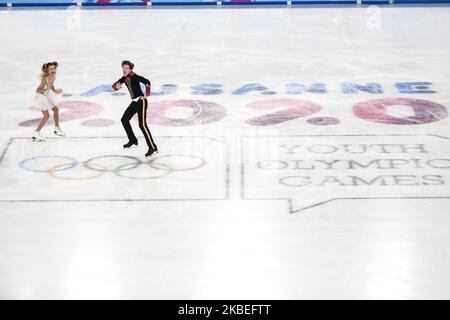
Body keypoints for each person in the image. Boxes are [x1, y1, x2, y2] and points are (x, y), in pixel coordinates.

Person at [112, 60, 158, 158]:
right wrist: (117, 87)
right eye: (123, 69)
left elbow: (147, 81)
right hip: (135, 102)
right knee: (124, 119)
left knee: (142, 125)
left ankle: (153, 147)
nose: (124, 70)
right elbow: (114, 86)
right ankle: (133, 140)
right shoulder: (125, 78)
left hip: (141, 102)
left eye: (126, 69)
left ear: (130, 69)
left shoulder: (134, 76)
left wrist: (147, 95)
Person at [32, 62, 65, 142]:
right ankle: (36, 133)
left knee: (56, 109)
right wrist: (45, 90)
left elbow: (51, 85)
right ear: (47, 70)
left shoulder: (53, 77)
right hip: (41, 97)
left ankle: (56, 128)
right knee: (46, 116)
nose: (53, 70)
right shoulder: (45, 79)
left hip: (46, 96)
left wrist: (55, 91)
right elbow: (38, 90)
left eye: (54, 68)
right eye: (51, 69)